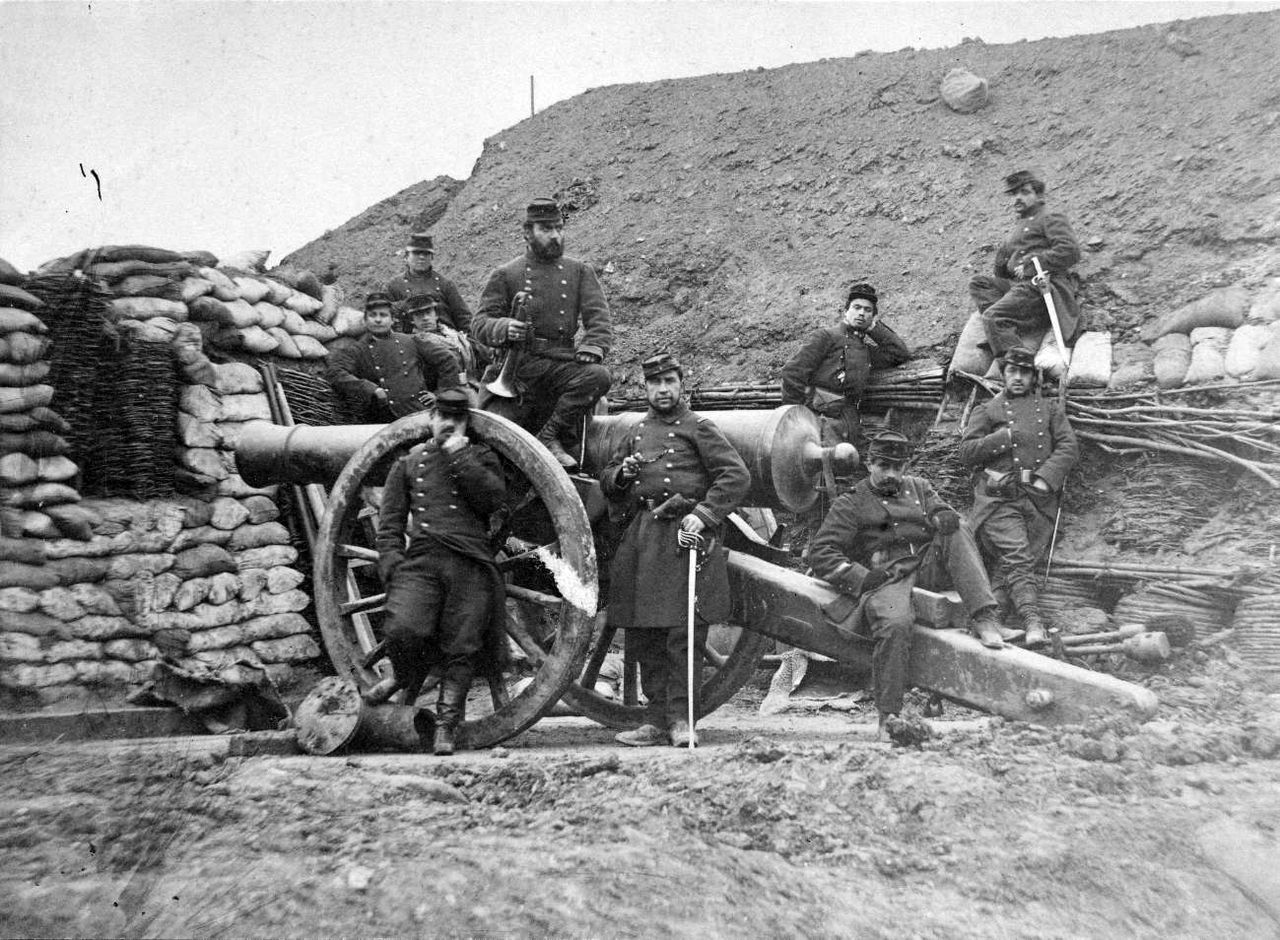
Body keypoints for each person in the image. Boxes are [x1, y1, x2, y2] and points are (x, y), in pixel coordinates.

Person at [807, 431, 1007, 735]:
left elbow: (940, 509)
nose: (891, 474)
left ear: (906, 467)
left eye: (897, 467)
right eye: (883, 466)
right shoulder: (853, 502)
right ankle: (889, 715)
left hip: (926, 566)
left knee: (957, 528)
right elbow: (821, 552)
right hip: (886, 576)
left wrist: (942, 515)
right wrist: (861, 577)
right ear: (870, 465)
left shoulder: (919, 487)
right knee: (895, 624)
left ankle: (984, 616)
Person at [601, 352, 750, 748]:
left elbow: (735, 476)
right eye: (655, 383)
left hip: (685, 539)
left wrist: (704, 514)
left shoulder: (698, 428)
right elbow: (608, 478)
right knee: (644, 633)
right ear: (645, 388)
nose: (663, 390)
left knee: (681, 634)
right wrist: (621, 476)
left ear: (681, 384)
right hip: (644, 538)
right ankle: (653, 720)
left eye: (669, 381)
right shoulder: (635, 431)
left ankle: (682, 720)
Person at [363, 387, 508, 755]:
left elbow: (492, 500)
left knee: (463, 643)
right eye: (442, 417)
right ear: (431, 419)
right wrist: (393, 566)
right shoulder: (409, 462)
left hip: (470, 559)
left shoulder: (481, 456)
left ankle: (445, 726)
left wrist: (460, 456)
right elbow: (390, 523)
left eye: (456, 419)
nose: (447, 424)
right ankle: (404, 673)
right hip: (423, 560)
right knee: (403, 626)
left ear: (465, 424)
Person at [471, 198, 613, 470]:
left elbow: (600, 320)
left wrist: (592, 347)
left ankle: (549, 436)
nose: (556, 236)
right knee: (495, 445)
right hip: (520, 368)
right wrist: (503, 327)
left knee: (599, 376)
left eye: (559, 228)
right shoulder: (506, 274)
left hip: (561, 363)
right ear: (527, 232)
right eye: (546, 229)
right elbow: (479, 323)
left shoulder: (579, 271)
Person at [956, 346, 1079, 647]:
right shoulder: (987, 410)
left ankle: (991, 620)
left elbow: (1068, 448)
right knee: (1017, 555)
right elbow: (967, 453)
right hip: (999, 497)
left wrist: (1045, 479)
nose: (1018, 378)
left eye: (1025, 372)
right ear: (1004, 374)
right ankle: (1032, 620)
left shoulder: (1050, 409)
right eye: (1012, 371)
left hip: (1038, 499)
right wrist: (1002, 438)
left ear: (1033, 376)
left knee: (1011, 562)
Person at [780, 282, 911, 447]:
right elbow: (792, 373)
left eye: (867, 310)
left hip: (850, 422)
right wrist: (797, 418)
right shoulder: (826, 337)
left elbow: (899, 353)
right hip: (820, 420)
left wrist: (874, 328)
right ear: (845, 312)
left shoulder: (865, 351)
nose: (861, 313)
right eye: (856, 307)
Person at [968, 170, 1083, 357]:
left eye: (1025, 192)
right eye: (1014, 194)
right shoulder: (1020, 224)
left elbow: (1070, 251)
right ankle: (1005, 329)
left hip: (1041, 285)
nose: (1017, 198)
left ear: (1039, 195)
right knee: (979, 283)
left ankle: (1018, 364)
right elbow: (1009, 258)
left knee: (992, 316)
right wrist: (1004, 263)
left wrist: (1032, 263)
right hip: (1020, 287)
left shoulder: (1050, 217)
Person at [325, 292, 463, 422]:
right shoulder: (358, 349)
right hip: (382, 417)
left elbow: (447, 360)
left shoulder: (411, 341)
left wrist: (440, 394)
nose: (378, 320)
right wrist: (371, 389)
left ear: (392, 320)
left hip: (418, 411)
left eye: (383, 315)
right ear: (365, 321)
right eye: (373, 315)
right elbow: (335, 372)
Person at [386, 232, 473, 334]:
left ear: (432, 257)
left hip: (445, 339)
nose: (422, 257)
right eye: (416, 253)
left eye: (426, 253)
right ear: (406, 257)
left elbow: (463, 317)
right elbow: (385, 319)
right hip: (410, 341)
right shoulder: (394, 286)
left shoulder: (445, 284)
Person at [406, 294, 485, 381]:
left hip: (472, 381)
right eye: (419, 315)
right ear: (412, 320)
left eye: (428, 313)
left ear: (436, 315)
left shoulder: (453, 334)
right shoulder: (415, 343)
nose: (425, 318)